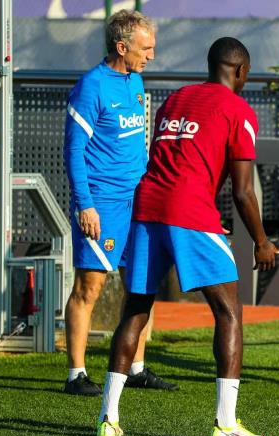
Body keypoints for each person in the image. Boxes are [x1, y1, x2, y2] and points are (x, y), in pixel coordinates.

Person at [95, 37, 279, 436]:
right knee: (229, 313)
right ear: (241, 71)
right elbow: (244, 192)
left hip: (146, 208)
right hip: (189, 211)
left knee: (136, 309)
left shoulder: (175, 100)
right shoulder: (239, 110)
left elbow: (183, 160)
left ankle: (108, 420)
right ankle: (226, 425)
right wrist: (262, 241)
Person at [62, 9, 178, 395]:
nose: (151, 56)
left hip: (139, 200)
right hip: (103, 203)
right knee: (89, 288)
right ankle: (76, 374)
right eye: (145, 48)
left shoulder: (136, 82)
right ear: (121, 46)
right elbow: (74, 151)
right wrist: (85, 204)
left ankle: (136, 367)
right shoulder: (91, 86)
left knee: (140, 284)